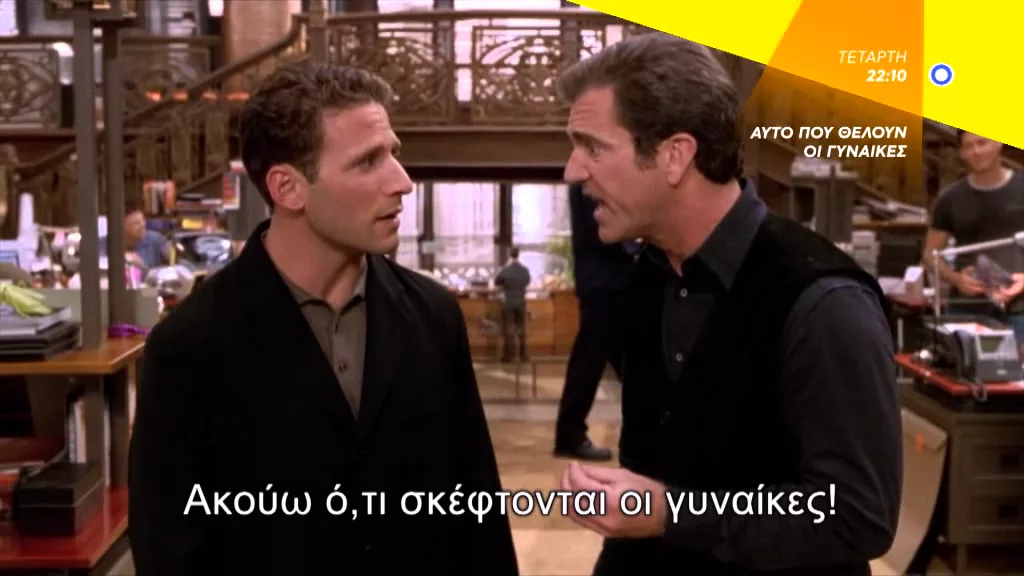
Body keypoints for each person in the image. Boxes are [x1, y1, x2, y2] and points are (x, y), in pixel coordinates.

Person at [128, 61, 518, 576]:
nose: (403, 182)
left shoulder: (433, 315)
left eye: (394, 154)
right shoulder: (192, 344)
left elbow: (475, 509)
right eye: (368, 162)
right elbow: (170, 549)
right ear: (288, 188)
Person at [554, 33, 901, 575]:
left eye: (592, 146)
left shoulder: (822, 301)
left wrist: (673, 514)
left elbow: (856, 515)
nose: (573, 171)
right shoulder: (644, 279)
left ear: (675, 155)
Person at [553, 183, 635, 461]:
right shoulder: (590, 182)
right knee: (590, 362)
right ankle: (569, 434)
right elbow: (603, 232)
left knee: (624, 363)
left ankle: (648, 431)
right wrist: (637, 245)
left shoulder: (593, 181)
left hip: (607, 283)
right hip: (604, 284)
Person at [923, 129, 1024, 349]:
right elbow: (930, 255)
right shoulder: (950, 199)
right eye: (968, 146)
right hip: (966, 309)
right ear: (961, 153)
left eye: (982, 143)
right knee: (962, 368)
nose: (976, 151)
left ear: (998, 143)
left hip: (1020, 310)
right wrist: (956, 278)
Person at [494, 245, 531, 362]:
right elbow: (527, 281)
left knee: (508, 329)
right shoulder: (524, 270)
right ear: (518, 255)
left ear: (509, 254)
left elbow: (496, 281)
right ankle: (523, 355)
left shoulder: (505, 270)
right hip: (521, 302)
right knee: (521, 329)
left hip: (508, 302)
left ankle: (508, 356)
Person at [123, 202, 170, 270]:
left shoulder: (156, 239)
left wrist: (140, 265)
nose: (142, 225)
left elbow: (170, 268)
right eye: (136, 223)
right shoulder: (109, 245)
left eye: (143, 220)